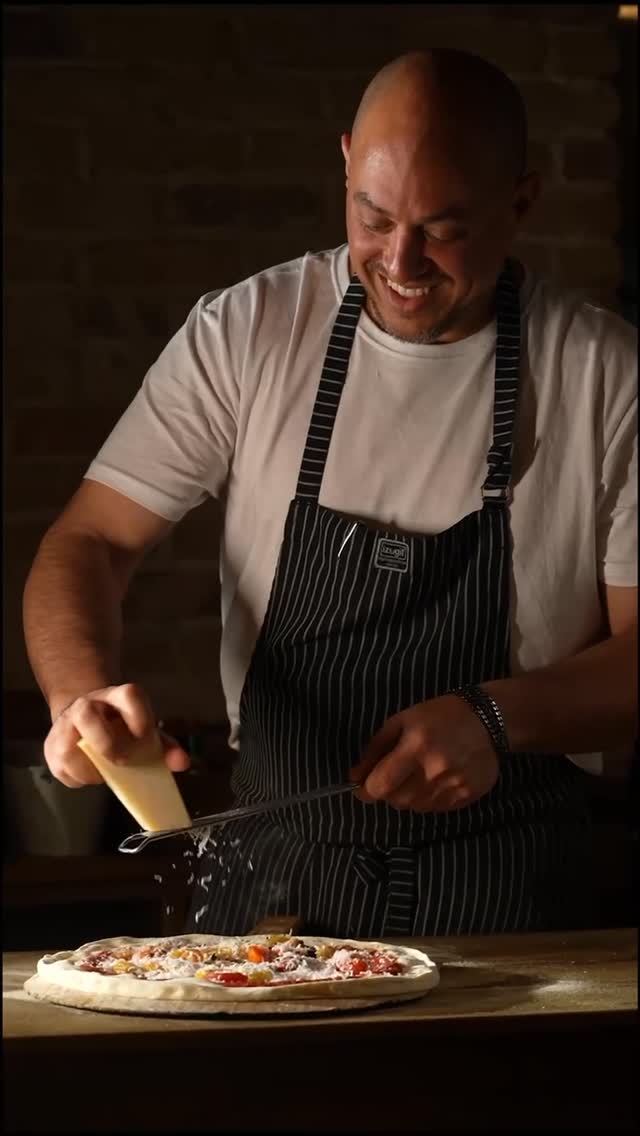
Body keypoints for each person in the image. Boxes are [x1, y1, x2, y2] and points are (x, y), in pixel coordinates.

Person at [23, 49, 637, 938]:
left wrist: (496, 718)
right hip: (278, 876)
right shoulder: (248, 333)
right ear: (346, 162)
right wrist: (79, 697)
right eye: (374, 217)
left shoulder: (607, 377)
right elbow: (89, 542)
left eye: (444, 229)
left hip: (515, 883)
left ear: (522, 200)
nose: (401, 260)